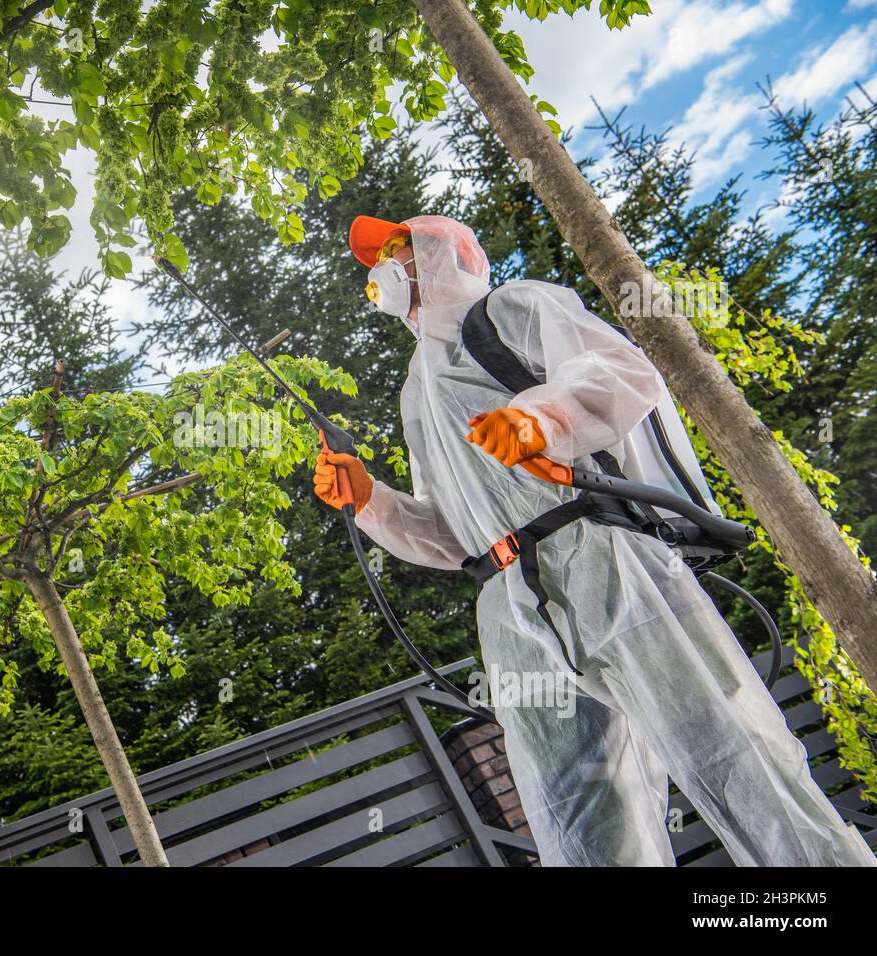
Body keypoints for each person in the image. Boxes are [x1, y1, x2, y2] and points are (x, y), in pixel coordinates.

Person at [312, 213, 875, 867]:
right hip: (510, 606)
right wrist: (370, 502)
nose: (384, 264)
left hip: (603, 557)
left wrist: (540, 418)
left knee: (731, 756)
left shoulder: (510, 309)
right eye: (377, 257)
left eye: (398, 246)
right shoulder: (417, 395)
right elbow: (453, 531)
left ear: (453, 249)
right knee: (578, 817)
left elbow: (621, 371)